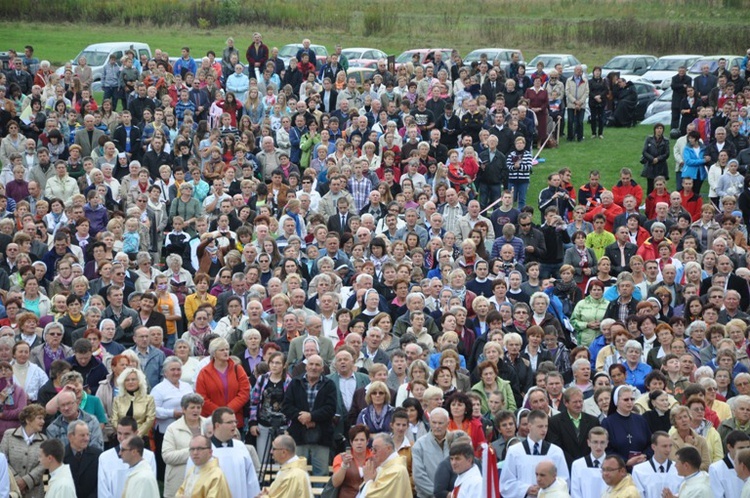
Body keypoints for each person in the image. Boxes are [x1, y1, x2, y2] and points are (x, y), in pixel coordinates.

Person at [281, 354, 336, 476]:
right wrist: (302, 418)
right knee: (297, 472)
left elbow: (330, 408)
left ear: (322, 368)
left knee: (321, 473)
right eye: (311, 364)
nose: (314, 367)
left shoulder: (329, 385)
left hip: (322, 436)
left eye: (317, 365)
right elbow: (286, 406)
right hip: (298, 435)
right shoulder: (295, 383)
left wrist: (312, 417)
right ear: (306, 367)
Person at [500, 409, 569, 498]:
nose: (544, 430)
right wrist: (526, 489)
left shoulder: (556, 451)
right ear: (529, 426)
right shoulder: (514, 451)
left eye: (546, 426)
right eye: (540, 426)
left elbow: (564, 481)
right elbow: (506, 483)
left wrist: (545, 489)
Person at [195, 406, 259, 498]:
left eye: (235, 422)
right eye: (229, 422)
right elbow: (194, 482)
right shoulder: (202, 449)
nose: (234, 425)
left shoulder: (240, 446)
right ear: (217, 425)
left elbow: (251, 480)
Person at [195, 337, 250, 428]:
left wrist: (228, 410)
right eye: (222, 350)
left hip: (234, 420)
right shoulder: (204, 373)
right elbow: (202, 398)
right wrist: (220, 413)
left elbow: (244, 392)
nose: (226, 352)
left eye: (227, 349)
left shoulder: (238, 369)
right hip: (212, 421)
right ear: (214, 353)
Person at [97, 416, 157, 498]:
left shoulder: (148, 456)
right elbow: (103, 490)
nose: (122, 438)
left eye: (127, 434)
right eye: (119, 433)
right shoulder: (104, 457)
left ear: (136, 433)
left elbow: (148, 487)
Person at [162, 393, 208, 498]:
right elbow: (167, 456)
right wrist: (195, 451)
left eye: (198, 407)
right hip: (178, 480)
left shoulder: (208, 425)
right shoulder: (172, 428)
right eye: (192, 407)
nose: (196, 410)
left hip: (204, 478)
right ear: (184, 409)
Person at [546, 386, 601, 470]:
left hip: (588, 466)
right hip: (565, 466)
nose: (578, 405)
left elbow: (596, 444)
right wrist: (574, 464)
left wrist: (584, 462)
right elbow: (556, 447)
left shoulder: (593, 421)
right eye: (575, 402)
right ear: (566, 403)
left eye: (580, 401)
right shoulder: (554, 422)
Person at [0, 403, 47, 498]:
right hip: (12, 489)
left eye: (43, 418)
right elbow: (3, 460)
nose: (43, 421)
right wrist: (15, 479)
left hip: (35, 492)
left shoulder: (44, 440)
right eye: (39, 418)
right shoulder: (9, 435)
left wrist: (26, 481)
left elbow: (43, 464)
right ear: (28, 420)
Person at [601, 385, 651, 467]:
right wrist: (625, 462)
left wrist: (645, 456)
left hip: (641, 467)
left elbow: (651, 444)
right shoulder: (607, 423)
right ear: (616, 401)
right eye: (626, 400)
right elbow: (606, 449)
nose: (630, 402)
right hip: (618, 468)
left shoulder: (641, 420)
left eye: (632, 399)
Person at [412, 407, 451, 498]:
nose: (437, 426)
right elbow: (418, 476)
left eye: (440, 423)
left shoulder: (456, 441)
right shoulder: (419, 444)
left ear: (448, 423)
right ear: (429, 422)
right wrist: (439, 494)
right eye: (434, 422)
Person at [358, 432, 412, 498]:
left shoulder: (396, 471)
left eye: (375, 449)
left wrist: (369, 480)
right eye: (372, 449)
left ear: (388, 448)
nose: (372, 452)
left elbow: (375, 495)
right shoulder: (384, 466)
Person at [632, 431, 682, 498]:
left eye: (670, 446)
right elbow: (638, 495)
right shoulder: (639, 470)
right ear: (653, 447)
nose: (668, 450)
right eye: (664, 446)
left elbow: (685, 493)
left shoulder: (679, 468)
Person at [111, 367, 156, 440]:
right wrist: (122, 434)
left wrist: (137, 435)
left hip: (142, 438)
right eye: (127, 380)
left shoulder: (149, 399)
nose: (130, 382)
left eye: (133, 379)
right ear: (123, 383)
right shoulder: (117, 399)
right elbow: (114, 420)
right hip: (121, 439)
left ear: (139, 381)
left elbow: (150, 419)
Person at [63, 420, 101, 498]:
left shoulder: (98, 455)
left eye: (88, 435)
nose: (87, 439)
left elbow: (101, 483)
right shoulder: (60, 457)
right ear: (70, 437)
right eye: (82, 435)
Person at [709, 430, 750, 498]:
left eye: (748, 447)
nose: (745, 451)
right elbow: (717, 495)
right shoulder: (716, 469)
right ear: (729, 447)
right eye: (741, 448)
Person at [569, 426, 608, 498]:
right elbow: (575, 492)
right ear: (588, 443)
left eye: (602, 442)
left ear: (607, 443)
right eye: (595, 442)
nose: (599, 447)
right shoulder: (578, 465)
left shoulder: (613, 464)